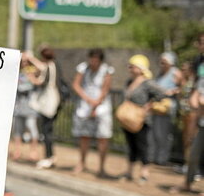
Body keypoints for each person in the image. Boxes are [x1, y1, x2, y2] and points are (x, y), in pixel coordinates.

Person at [120, 55, 166, 185]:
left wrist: (149, 105)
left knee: (143, 145)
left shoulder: (148, 83)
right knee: (131, 145)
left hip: (142, 120)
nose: (130, 68)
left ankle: (144, 173)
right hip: (129, 118)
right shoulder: (129, 82)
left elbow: (162, 93)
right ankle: (129, 172)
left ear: (140, 68)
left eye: (132, 66)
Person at [71, 48, 114, 177]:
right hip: (85, 106)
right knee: (84, 136)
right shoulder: (83, 68)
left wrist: (96, 104)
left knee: (103, 137)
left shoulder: (106, 70)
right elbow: (76, 85)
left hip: (101, 107)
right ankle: (82, 162)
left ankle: (101, 167)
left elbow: (105, 89)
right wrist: (88, 100)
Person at [28, 46, 67, 169]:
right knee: (47, 129)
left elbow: (41, 80)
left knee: (46, 130)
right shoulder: (55, 65)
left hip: (50, 101)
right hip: (54, 100)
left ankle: (49, 157)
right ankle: (49, 156)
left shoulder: (49, 66)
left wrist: (31, 77)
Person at [148, 52, 183, 165]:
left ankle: (162, 159)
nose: (161, 63)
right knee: (154, 134)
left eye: (164, 61)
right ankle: (152, 157)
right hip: (156, 107)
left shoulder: (176, 73)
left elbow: (182, 88)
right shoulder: (160, 73)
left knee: (164, 135)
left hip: (167, 108)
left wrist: (170, 92)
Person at [11, 52, 40, 163]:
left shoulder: (32, 72)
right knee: (17, 129)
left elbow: (42, 68)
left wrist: (31, 58)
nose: (24, 63)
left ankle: (33, 151)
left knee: (31, 127)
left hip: (30, 106)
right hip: (18, 106)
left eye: (25, 61)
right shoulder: (17, 72)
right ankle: (17, 150)